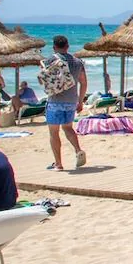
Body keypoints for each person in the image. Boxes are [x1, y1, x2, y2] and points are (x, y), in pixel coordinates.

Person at [45, 35, 88, 171]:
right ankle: (78, 150)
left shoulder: (51, 59)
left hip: (55, 101)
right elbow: (84, 83)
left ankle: (58, 164)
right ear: (67, 46)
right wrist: (80, 101)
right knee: (68, 128)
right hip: (71, 101)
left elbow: (46, 80)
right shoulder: (77, 62)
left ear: (54, 47)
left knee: (54, 133)